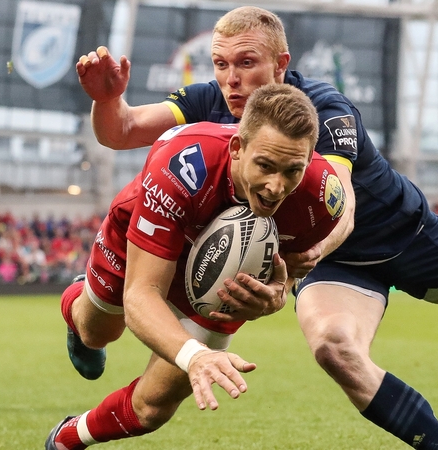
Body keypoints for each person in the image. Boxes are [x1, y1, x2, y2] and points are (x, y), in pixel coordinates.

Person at [75, 6, 438, 449]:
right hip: (328, 262)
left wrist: (303, 258)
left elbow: (343, 206)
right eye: (220, 64)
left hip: (401, 234)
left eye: (247, 63)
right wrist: (107, 98)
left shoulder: (325, 110)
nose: (231, 79)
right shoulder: (213, 101)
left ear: (281, 64)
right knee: (336, 350)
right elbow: (122, 130)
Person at [45, 83, 344, 449]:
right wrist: (195, 355)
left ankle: (69, 437)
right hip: (147, 241)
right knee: (97, 333)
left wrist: (277, 296)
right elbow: (142, 294)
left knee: (153, 407)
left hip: (225, 279)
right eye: (265, 166)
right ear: (237, 148)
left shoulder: (321, 200)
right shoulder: (183, 163)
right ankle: (78, 300)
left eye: (292, 171)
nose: (276, 187)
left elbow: (291, 271)